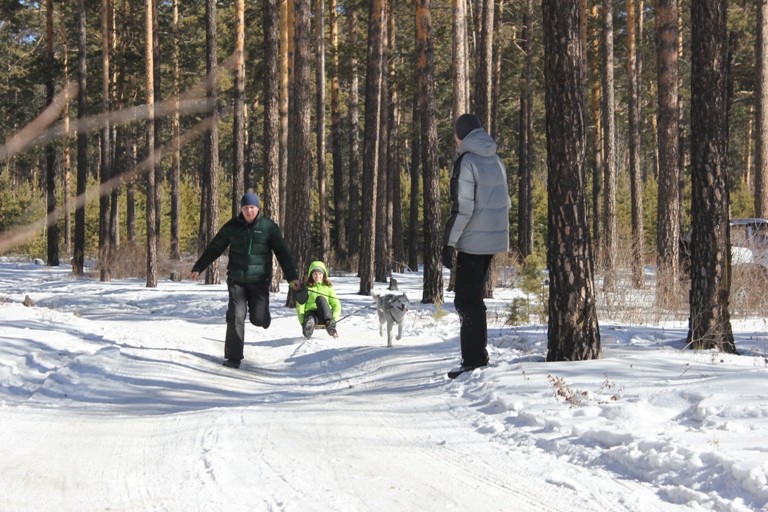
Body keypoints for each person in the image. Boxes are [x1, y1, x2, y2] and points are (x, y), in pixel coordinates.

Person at [191, 192, 301, 368]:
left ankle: (264, 316)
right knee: (236, 316)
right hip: (237, 280)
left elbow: (283, 253)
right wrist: (199, 267)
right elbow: (215, 247)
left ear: (258, 208)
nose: (249, 211)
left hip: (259, 280)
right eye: (245, 208)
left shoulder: (268, 227)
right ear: (241, 209)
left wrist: (292, 277)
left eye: (252, 207)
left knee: (258, 318)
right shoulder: (232, 227)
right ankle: (233, 358)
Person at [442, 114, 511, 377]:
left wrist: (449, 243)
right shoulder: (496, 161)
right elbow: (506, 202)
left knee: (466, 302)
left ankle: (474, 361)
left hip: (472, 241)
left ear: (461, 136)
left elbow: (462, 208)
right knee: (473, 300)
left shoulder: (467, 161)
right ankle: (476, 357)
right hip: (492, 240)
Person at [296, 260, 341, 339]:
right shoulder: (306, 287)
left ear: (323, 275)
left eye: (320, 274)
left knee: (320, 299)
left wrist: (334, 318)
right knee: (310, 318)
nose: (317, 276)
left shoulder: (328, 287)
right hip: (312, 313)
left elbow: (336, 304)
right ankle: (308, 327)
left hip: (325, 314)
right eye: (315, 274)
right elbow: (300, 306)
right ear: (311, 275)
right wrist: (302, 321)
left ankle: (331, 326)